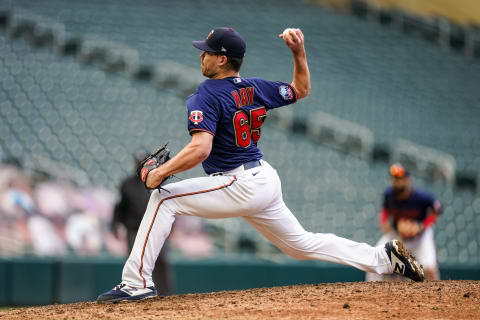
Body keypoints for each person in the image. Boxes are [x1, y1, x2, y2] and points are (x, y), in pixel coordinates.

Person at [97, 27, 424, 303]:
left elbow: (200, 148)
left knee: (163, 197)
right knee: (300, 244)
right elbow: (301, 89)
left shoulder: (207, 94)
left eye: (207, 52)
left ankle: (136, 283)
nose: (202, 55)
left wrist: (159, 173)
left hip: (239, 182)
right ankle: (383, 258)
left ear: (222, 59)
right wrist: (299, 53)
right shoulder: (254, 87)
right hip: (262, 179)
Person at [111, 150, 172, 296]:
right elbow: (119, 207)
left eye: (143, 160)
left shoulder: (158, 181)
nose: (140, 164)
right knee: (135, 260)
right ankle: (135, 289)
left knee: (161, 260)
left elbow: (168, 205)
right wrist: (115, 224)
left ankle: (165, 294)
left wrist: (170, 227)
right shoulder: (127, 184)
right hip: (134, 229)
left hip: (156, 227)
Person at [366, 163, 442, 281]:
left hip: (420, 238)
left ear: (408, 180)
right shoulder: (389, 194)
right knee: (373, 260)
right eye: (395, 178)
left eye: (400, 178)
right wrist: (384, 221)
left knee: (430, 269)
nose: (397, 182)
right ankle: (369, 294)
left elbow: (437, 209)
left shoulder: (421, 197)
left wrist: (422, 226)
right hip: (397, 236)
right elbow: (385, 210)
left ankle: (440, 297)